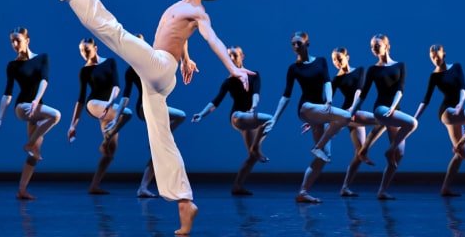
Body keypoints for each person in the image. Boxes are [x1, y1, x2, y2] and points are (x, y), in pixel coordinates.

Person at [40, 0, 253, 235]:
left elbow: (212, 38)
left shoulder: (198, 12)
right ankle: (185, 203)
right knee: (161, 138)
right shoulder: (182, 5)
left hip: (160, 66)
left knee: (115, 33)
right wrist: (186, 58)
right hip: (159, 72)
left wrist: (233, 69)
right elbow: (179, 35)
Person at [265, 31, 351, 203]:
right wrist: (274, 118)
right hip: (306, 108)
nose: (296, 46)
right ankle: (317, 146)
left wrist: (329, 100)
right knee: (347, 116)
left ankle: (303, 192)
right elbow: (286, 96)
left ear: (307, 44)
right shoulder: (294, 68)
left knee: (324, 157)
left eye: (299, 43)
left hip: (320, 110)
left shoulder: (321, 61)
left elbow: (327, 81)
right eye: (293, 44)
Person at [107, 34, 188, 199]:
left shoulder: (153, 63)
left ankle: (143, 187)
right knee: (180, 116)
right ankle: (159, 139)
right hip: (144, 107)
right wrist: (115, 119)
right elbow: (125, 97)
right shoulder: (132, 70)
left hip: (155, 106)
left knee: (179, 119)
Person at [0, 27, 62, 200]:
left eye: (18, 40)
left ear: (27, 41)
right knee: (56, 115)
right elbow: (7, 94)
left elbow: (44, 80)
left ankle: (21, 190)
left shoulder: (42, 58)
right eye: (12, 41)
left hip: (36, 108)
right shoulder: (12, 65)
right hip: (22, 107)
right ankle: (29, 143)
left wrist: (36, 100)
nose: (15, 44)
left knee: (34, 154)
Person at [192, 45, 273, 196]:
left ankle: (237, 186)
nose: (231, 58)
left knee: (252, 157)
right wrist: (202, 114)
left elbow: (256, 93)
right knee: (269, 119)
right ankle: (256, 148)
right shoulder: (229, 81)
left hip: (249, 116)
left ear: (242, 56)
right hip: (237, 117)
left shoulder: (254, 75)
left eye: (235, 55)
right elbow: (216, 101)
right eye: (229, 56)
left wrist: (254, 106)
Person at [413, 44, 465, 196]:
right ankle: (460, 144)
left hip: (457, 111)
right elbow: (426, 100)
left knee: (459, 154)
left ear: (444, 54)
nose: (435, 60)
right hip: (447, 112)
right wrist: (415, 118)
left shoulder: (456, 67)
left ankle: (445, 188)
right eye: (432, 58)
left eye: (437, 56)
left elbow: (463, 87)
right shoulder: (434, 76)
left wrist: (461, 103)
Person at [358, 34, 418, 200]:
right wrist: (352, 110)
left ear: (387, 46)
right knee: (412, 123)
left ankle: (382, 190)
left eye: (377, 45)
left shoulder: (400, 65)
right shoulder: (373, 69)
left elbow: (400, 89)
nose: (374, 49)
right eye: (372, 46)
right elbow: (363, 94)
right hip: (380, 108)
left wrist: (393, 106)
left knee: (399, 154)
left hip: (394, 110)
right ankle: (387, 150)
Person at [68, 38, 130, 195]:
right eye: (81, 51)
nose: (84, 53)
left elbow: (116, 85)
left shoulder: (110, 62)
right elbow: (81, 99)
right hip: (94, 104)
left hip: (108, 106)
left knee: (110, 151)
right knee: (126, 113)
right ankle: (107, 137)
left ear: (95, 48)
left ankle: (94, 186)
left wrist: (110, 102)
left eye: (87, 50)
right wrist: (73, 125)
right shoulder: (84, 71)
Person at [329, 47, 383, 197]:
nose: (337, 62)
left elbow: (359, 90)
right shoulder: (336, 79)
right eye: (334, 60)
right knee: (382, 121)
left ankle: (345, 188)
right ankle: (364, 150)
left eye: (339, 59)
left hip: (354, 111)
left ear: (347, 57)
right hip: (347, 113)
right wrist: (317, 115)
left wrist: (353, 108)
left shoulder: (360, 70)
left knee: (358, 155)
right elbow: (327, 99)